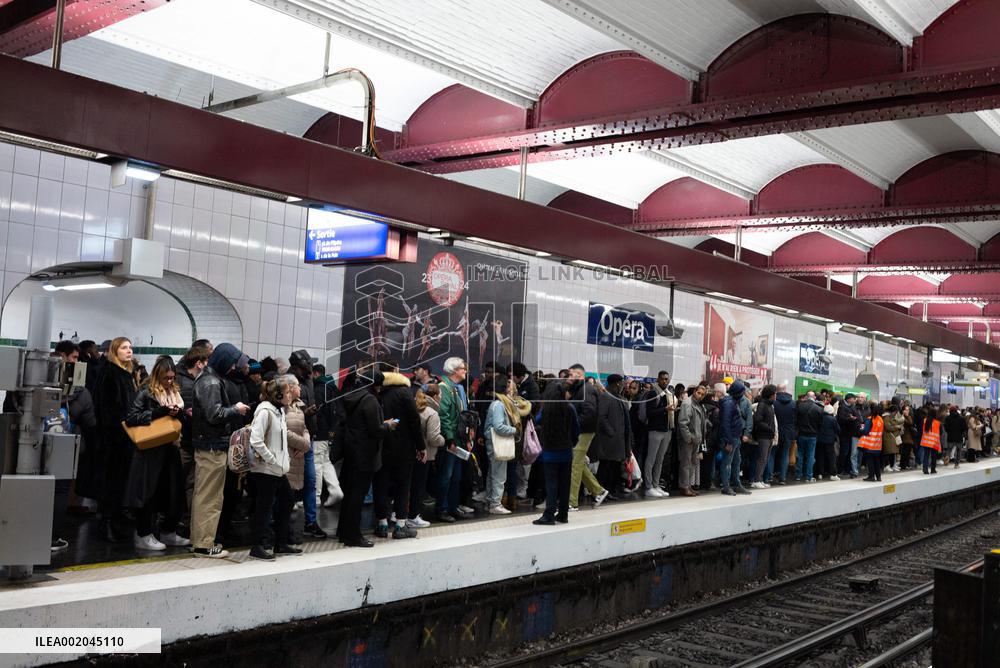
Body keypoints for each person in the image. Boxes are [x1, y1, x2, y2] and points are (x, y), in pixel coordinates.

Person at [123, 357, 190, 551]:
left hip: (170, 446)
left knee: (174, 492)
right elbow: (131, 418)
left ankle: (168, 531)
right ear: (157, 376)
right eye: (166, 378)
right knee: (148, 494)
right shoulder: (146, 392)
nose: (169, 381)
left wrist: (180, 414)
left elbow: (181, 420)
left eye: (172, 378)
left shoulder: (174, 393)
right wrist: (159, 412)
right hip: (150, 451)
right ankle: (143, 534)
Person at [191, 342, 250, 558]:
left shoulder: (209, 379)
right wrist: (236, 409)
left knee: (204, 496)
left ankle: (199, 541)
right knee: (210, 498)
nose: (234, 368)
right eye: (233, 363)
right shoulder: (211, 382)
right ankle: (204, 545)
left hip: (209, 445)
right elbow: (214, 415)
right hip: (212, 447)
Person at [338, 369, 395, 547]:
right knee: (357, 495)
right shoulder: (370, 400)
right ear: (376, 385)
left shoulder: (351, 395)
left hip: (351, 451)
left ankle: (344, 531)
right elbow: (376, 430)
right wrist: (388, 425)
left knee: (350, 494)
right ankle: (353, 535)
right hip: (366, 454)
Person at [247, 375, 301, 561]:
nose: (290, 395)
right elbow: (255, 440)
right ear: (277, 395)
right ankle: (257, 546)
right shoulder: (264, 412)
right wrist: (271, 459)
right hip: (265, 470)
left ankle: (280, 542)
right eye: (286, 392)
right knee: (263, 507)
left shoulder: (279, 411)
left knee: (287, 501)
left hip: (277, 470)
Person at [95, 337, 140, 543]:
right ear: (115, 351)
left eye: (130, 347)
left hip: (125, 436)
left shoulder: (127, 374)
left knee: (121, 480)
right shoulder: (110, 373)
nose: (129, 351)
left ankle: (116, 520)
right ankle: (107, 521)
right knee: (111, 481)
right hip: (113, 437)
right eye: (124, 347)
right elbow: (106, 408)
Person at [373, 361, 424, 538]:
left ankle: (381, 524)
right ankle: (400, 526)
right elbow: (414, 421)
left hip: (380, 446)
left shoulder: (376, 392)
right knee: (403, 485)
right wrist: (421, 446)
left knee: (381, 484)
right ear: (395, 370)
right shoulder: (404, 392)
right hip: (404, 447)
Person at [288, 350, 326, 539]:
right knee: (289, 484)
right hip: (292, 442)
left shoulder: (308, 381)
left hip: (308, 438)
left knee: (310, 482)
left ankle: (310, 522)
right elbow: (286, 413)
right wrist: (306, 414)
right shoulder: (287, 382)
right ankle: (284, 526)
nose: (311, 368)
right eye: (308, 365)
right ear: (299, 367)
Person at [175, 344, 209, 534]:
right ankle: (175, 520)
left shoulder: (191, 379)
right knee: (182, 481)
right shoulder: (184, 381)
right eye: (206, 362)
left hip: (192, 439)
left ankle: (185, 520)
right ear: (198, 363)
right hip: (184, 439)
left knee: (190, 482)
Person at [533, 380, 576, 526]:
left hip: (549, 454)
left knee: (551, 484)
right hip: (566, 453)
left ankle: (549, 515)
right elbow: (576, 430)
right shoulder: (570, 408)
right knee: (565, 484)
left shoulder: (546, 409)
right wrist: (571, 443)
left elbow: (536, 421)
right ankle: (563, 514)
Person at [567, 364, 609, 510]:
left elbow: (589, 413)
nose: (570, 378)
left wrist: (575, 426)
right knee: (577, 463)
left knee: (575, 465)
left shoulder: (586, 390)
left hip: (584, 432)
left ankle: (572, 502)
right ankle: (599, 491)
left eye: (572, 375)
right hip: (582, 431)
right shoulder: (581, 389)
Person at [435, 357, 472, 523]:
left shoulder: (456, 389)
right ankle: (441, 509)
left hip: (458, 439)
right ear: (455, 371)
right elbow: (444, 417)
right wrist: (450, 439)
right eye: (462, 368)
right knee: (446, 476)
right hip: (451, 441)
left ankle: (452, 507)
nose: (465, 371)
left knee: (456, 477)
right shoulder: (445, 389)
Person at [484, 373, 521, 515]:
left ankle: (490, 501)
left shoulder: (496, 403)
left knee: (492, 474)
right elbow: (499, 426)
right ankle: (495, 504)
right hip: (497, 444)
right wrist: (514, 430)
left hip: (492, 443)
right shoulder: (499, 404)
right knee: (499, 476)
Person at [591, 374, 632, 499]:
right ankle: (601, 491)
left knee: (614, 467)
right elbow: (601, 418)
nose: (623, 385)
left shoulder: (618, 397)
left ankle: (612, 490)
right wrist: (611, 432)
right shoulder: (606, 396)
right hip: (609, 440)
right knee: (606, 467)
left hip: (618, 439)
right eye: (621, 383)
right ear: (616, 383)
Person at [638, 370, 676, 498]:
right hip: (655, 429)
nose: (665, 381)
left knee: (660, 460)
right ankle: (648, 486)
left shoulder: (668, 393)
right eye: (663, 379)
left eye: (667, 379)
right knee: (651, 459)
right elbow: (649, 412)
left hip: (666, 429)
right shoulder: (653, 393)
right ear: (658, 380)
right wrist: (665, 409)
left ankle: (655, 484)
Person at [282, 375, 311, 540]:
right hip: (287, 455)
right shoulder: (283, 407)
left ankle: (288, 532)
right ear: (291, 388)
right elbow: (283, 431)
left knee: (290, 499)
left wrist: (305, 445)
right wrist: (303, 444)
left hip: (298, 455)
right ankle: (283, 533)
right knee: (284, 499)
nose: (301, 388)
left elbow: (305, 428)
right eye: (298, 386)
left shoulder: (299, 406)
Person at [411, 385, 443, 529]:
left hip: (411, 452)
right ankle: (414, 515)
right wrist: (443, 441)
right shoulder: (432, 413)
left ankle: (401, 513)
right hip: (426, 454)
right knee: (419, 486)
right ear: (435, 396)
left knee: (410, 485)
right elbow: (433, 438)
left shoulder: (413, 410)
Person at [719, 381, 751, 496]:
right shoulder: (728, 403)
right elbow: (725, 423)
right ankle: (726, 487)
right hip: (730, 438)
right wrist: (728, 441)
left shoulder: (732, 402)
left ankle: (737, 484)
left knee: (737, 462)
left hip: (735, 437)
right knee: (727, 463)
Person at [676, 384, 707, 496]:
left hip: (696, 439)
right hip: (688, 440)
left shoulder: (698, 404)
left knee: (692, 464)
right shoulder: (687, 403)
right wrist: (688, 438)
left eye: (703, 394)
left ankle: (688, 486)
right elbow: (683, 422)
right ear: (694, 391)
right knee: (686, 464)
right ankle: (684, 487)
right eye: (699, 393)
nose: (700, 396)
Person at [750, 384, 777, 489]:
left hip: (769, 436)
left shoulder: (770, 405)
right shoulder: (762, 405)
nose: (776, 395)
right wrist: (769, 428)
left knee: (765, 458)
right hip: (763, 436)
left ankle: (760, 479)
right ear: (770, 394)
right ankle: (756, 480)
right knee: (762, 458)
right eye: (775, 393)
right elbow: (757, 420)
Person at [771, 384, 797, 484]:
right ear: (785, 390)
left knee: (772, 454)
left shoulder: (774, 402)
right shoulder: (793, 403)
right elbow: (795, 419)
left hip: (775, 431)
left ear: (777, 391)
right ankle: (782, 478)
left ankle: (769, 476)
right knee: (785, 454)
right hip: (788, 432)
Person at [795, 391, 823, 483]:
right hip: (812, 435)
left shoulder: (799, 406)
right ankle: (809, 476)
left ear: (806, 397)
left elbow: (796, 420)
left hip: (801, 434)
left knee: (800, 455)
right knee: (811, 455)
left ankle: (798, 475)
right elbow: (820, 423)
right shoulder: (818, 409)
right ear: (814, 397)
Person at [837, 393, 862, 478]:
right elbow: (840, 419)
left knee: (848, 452)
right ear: (849, 399)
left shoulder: (851, 406)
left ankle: (847, 469)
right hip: (844, 433)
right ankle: (841, 469)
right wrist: (850, 418)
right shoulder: (842, 407)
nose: (855, 400)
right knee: (844, 452)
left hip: (850, 433)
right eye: (853, 398)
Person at [858, 402, 884, 482]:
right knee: (876, 461)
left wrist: (861, 429)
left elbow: (866, 431)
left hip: (869, 445)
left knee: (870, 461)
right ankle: (878, 476)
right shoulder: (880, 420)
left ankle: (871, 476)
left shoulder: (870, 419)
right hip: (877, 445)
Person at [817, 403, 840, 480]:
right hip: (830, 441)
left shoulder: (820, 417)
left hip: (820, 440)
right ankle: (833, 474)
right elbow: (838, 430)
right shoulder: (832, 419)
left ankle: (820, 473)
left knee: (820, 456)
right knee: (831, 457)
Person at [920, 407, 946, 474]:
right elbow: (941, 432)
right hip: (934, 442)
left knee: (926, 455)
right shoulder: (938, 423)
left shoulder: (924, 421)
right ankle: (933, 469)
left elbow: (921, 430)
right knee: (933, 456)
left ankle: (925, 469)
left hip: (926, 441)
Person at [882, 402, 903, 472]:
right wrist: (896, 427)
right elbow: (888, 427)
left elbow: (894, 425)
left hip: (893, 438)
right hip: (888, 437)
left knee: (893, 452)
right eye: (895, 412)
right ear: (892, 412)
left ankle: (892, 465)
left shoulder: (892, 418)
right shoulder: (886, 418)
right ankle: (887, 465)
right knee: (888, 452)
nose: (896, 414)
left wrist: (896, 426)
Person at [900, 405, 916, 470]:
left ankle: (906, 464)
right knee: (904, 452)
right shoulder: (902, 417)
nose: (907, 411)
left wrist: (907, 416)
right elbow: (910, 422)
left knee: (908, 452)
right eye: (906, 410)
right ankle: (903, 465)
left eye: (908, 410)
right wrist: (906, 416)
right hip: (904, 437)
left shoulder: (908, 417)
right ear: (903, 410)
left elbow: (911, 422)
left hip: (909, 437)